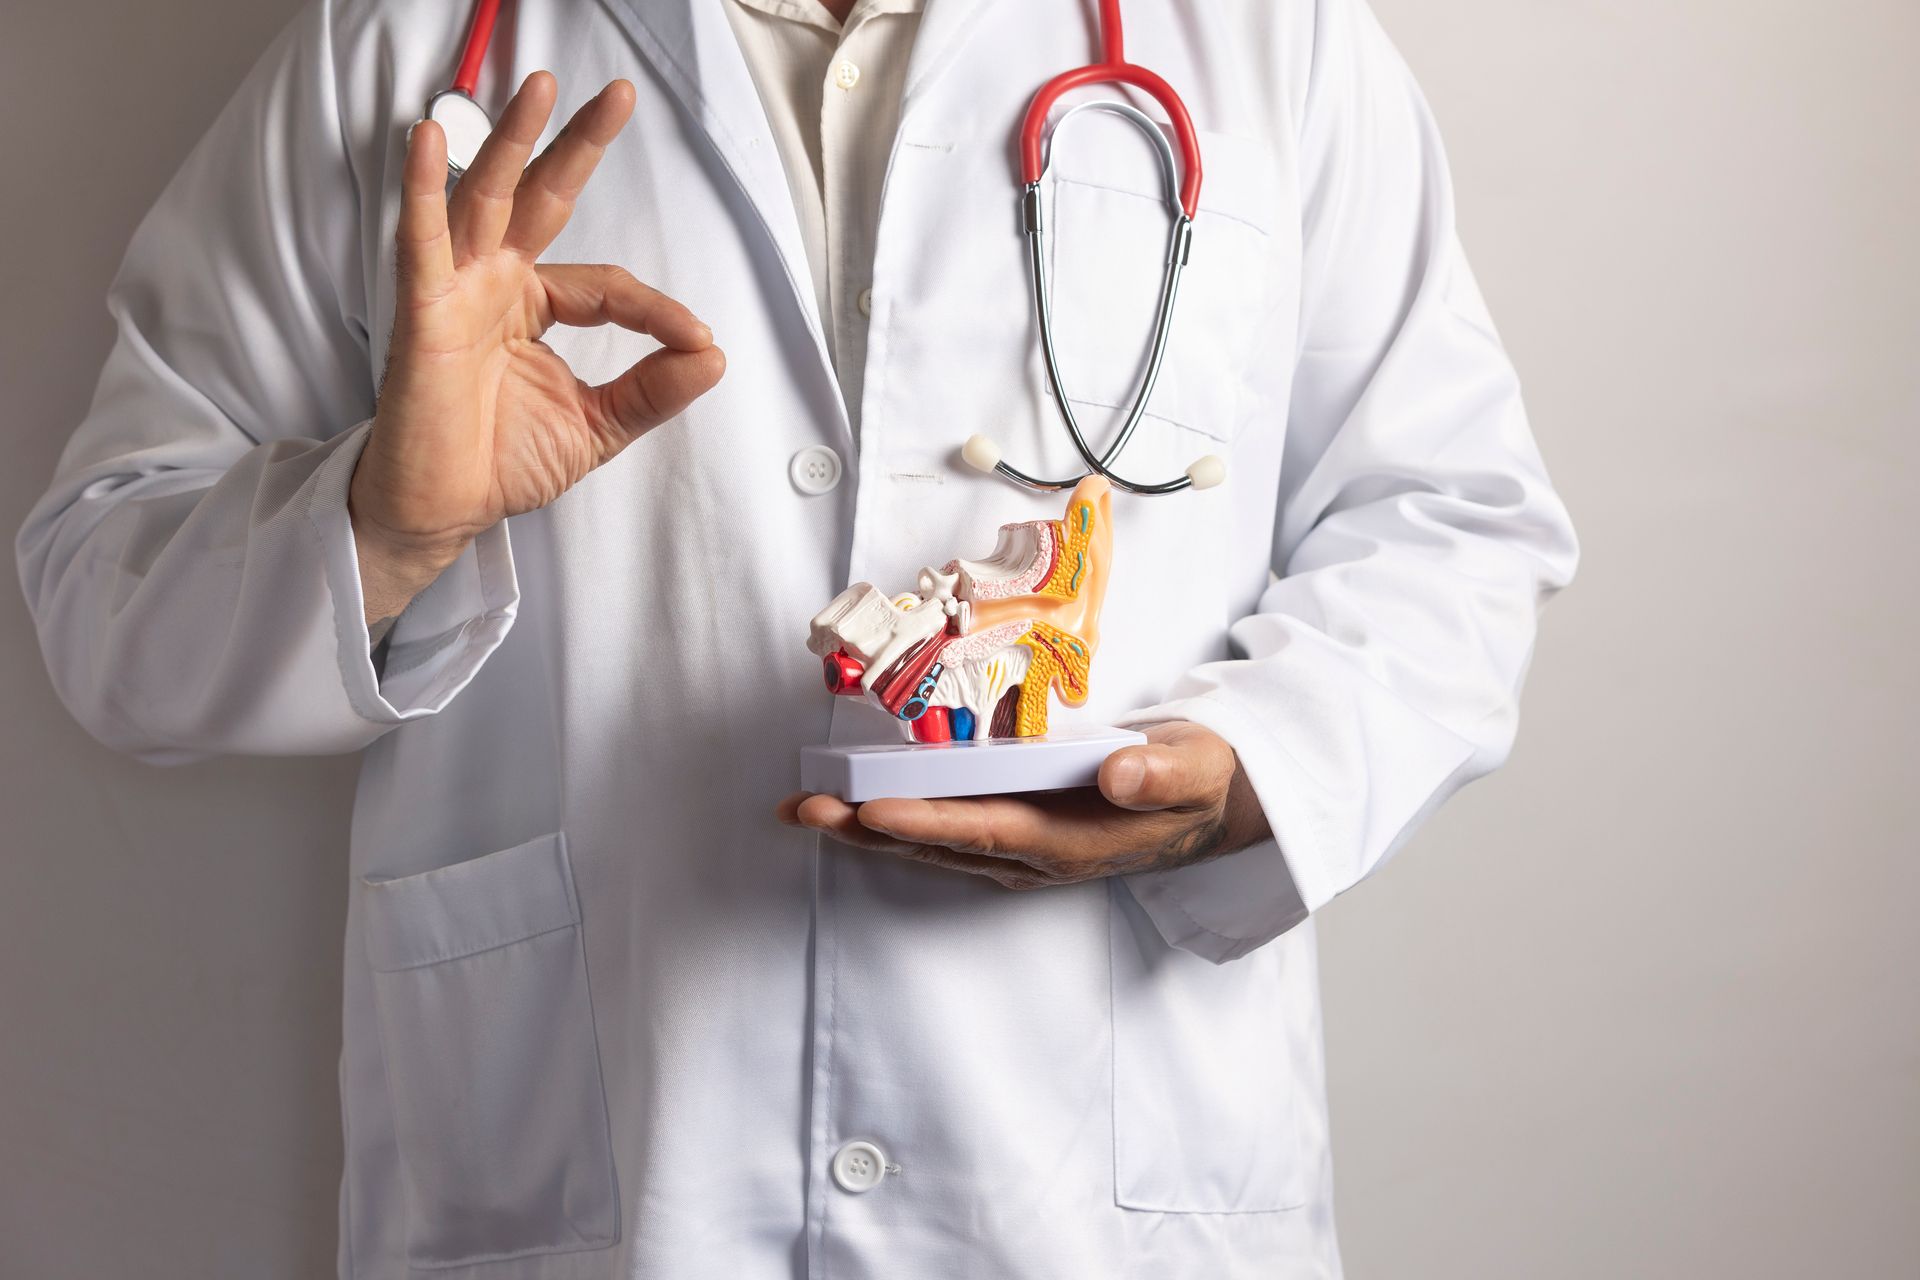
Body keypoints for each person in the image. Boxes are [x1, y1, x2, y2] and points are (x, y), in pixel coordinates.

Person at [14, 0, 1578, 1275]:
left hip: (1096, 1184)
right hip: (609, 1160)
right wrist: (385, 522)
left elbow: (1449, 526)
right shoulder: (410, 50)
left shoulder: (1267, 44)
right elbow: (108, 603)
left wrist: (1243, 780)